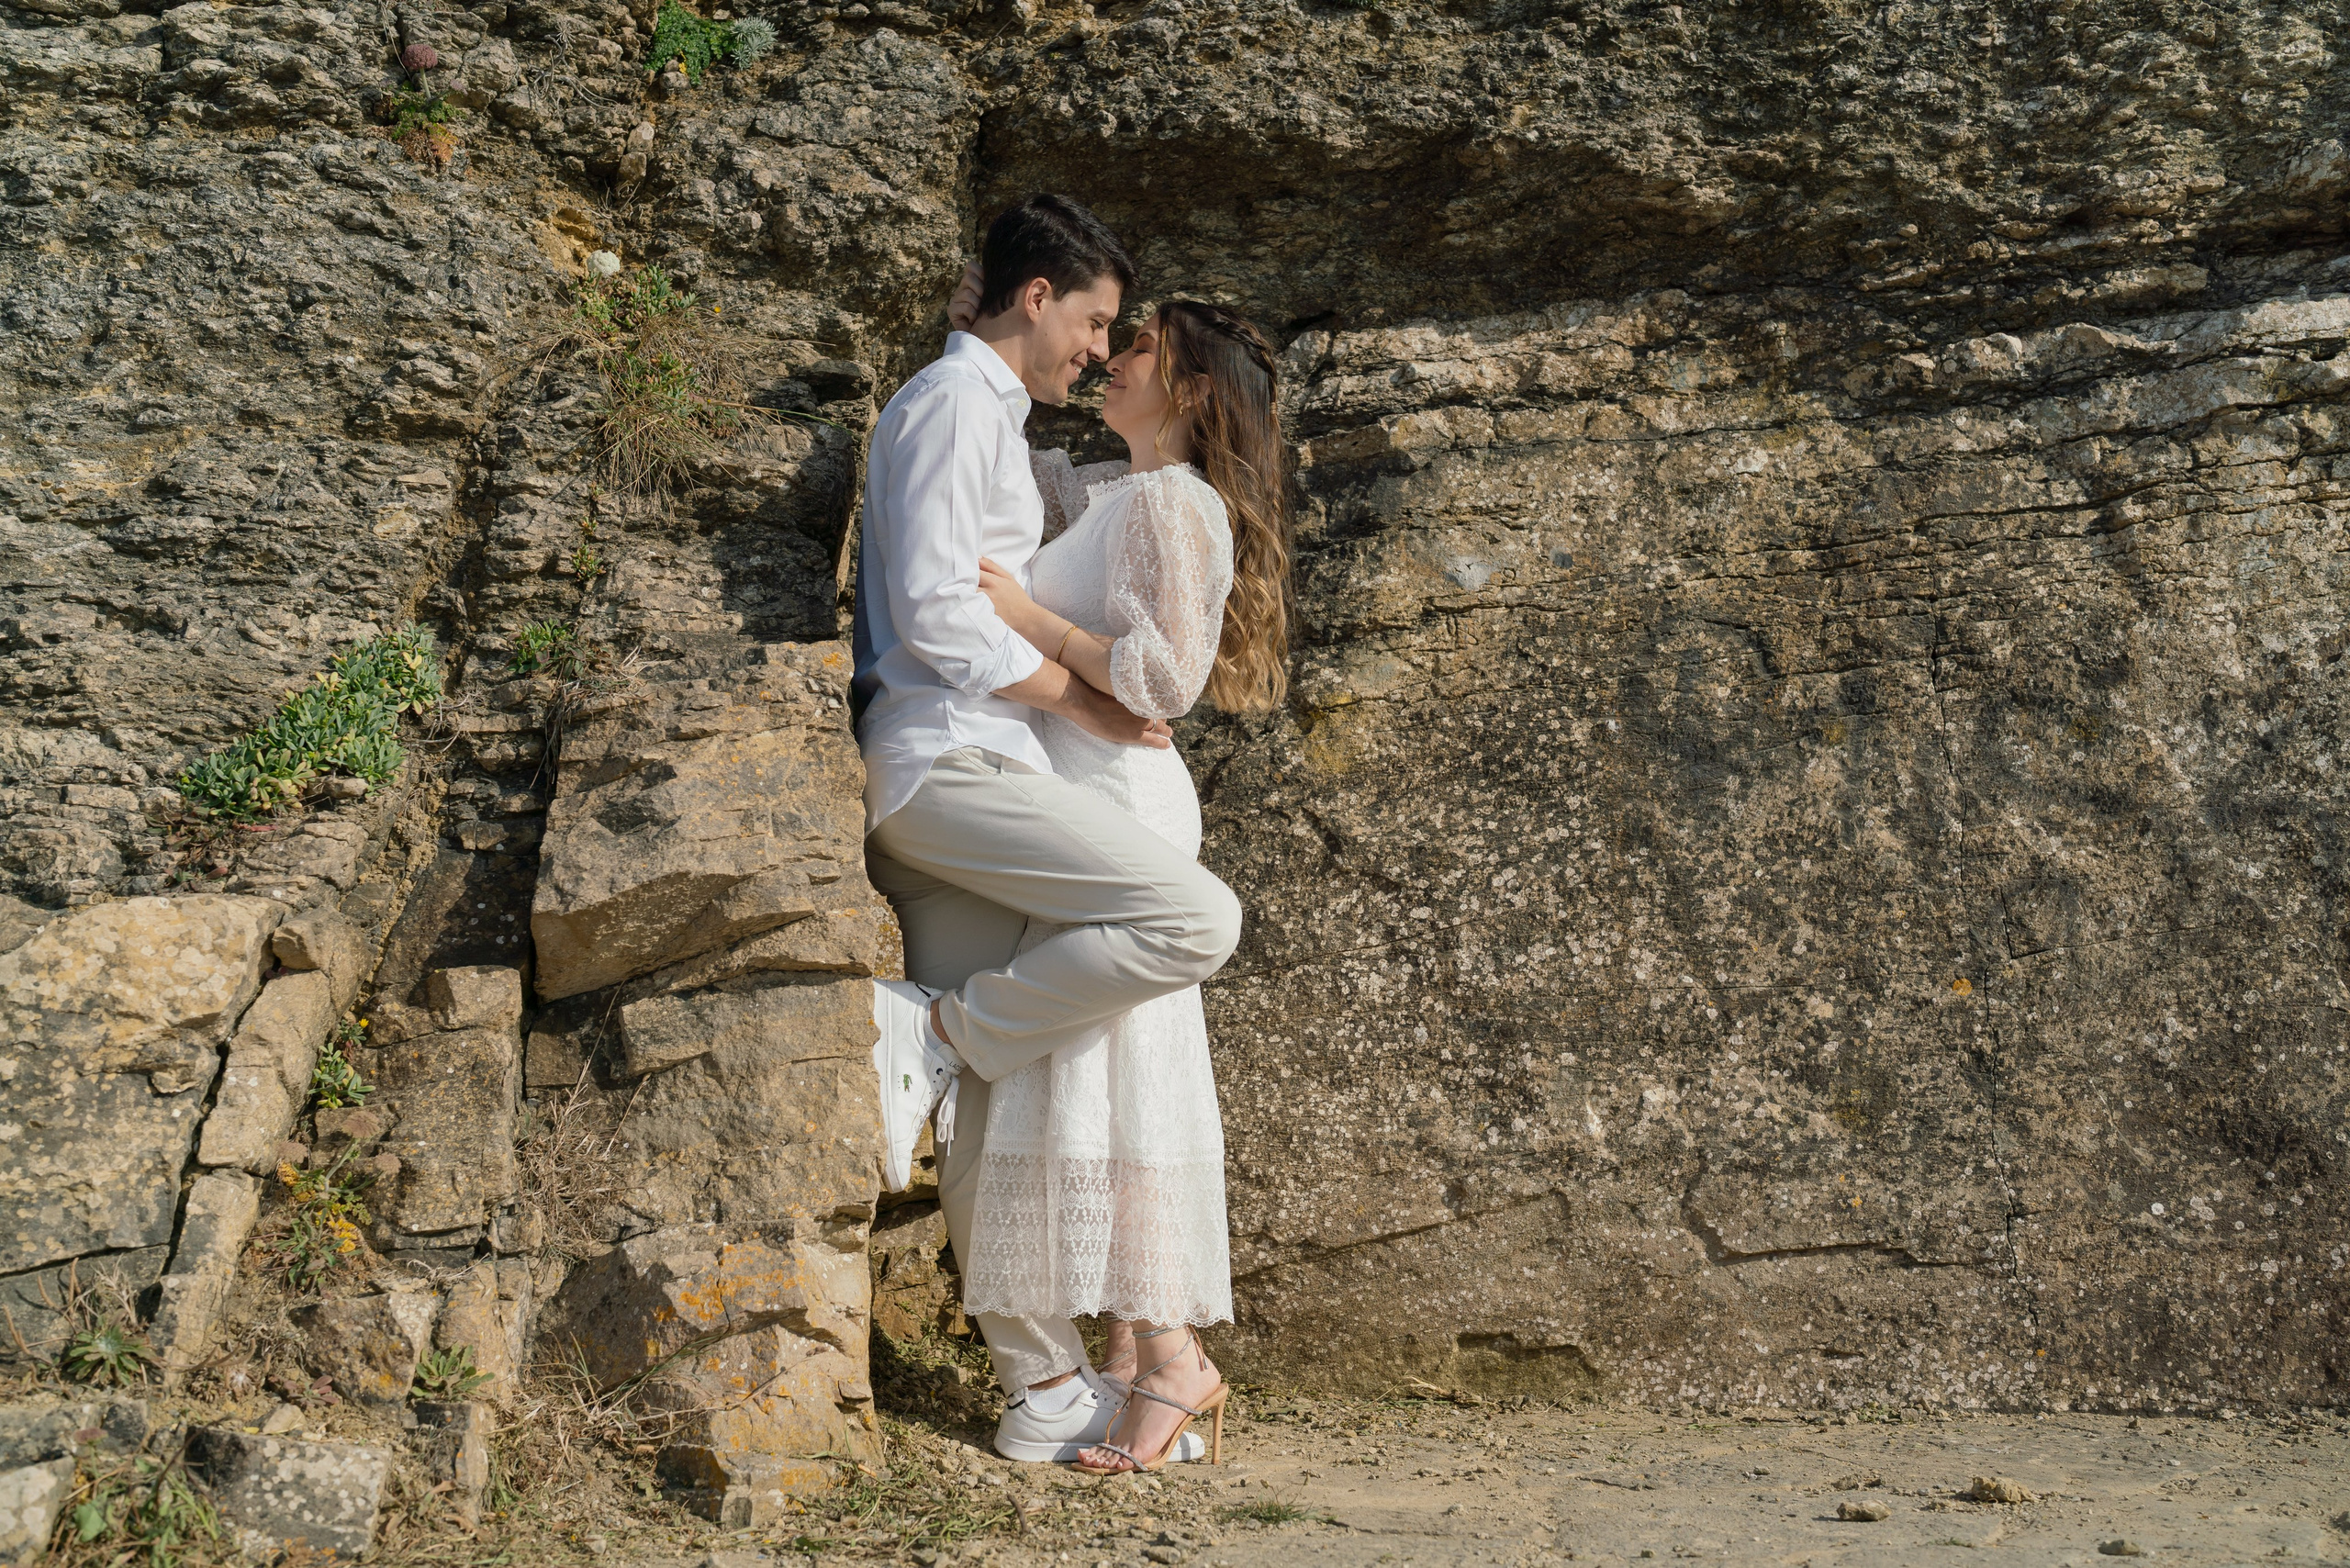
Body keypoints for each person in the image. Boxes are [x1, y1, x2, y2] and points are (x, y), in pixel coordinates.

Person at [853, 195, 1246, 1464]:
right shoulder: (953, 406)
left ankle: (1040, 1388)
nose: (1095, 348)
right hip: (946, 767)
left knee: (993, 1091)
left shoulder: (1004, 427)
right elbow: (935, 621)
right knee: (1193, 915)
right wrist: (1083, 692)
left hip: (988, 768)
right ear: (1037, 299)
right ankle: (940, 1028)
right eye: (1091, 320)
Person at [950, 276, 1293, 1474]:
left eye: (1135, 347)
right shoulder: (1119, 493)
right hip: (1084, 802)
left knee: (1123, 1081)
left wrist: (1026, 625)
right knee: (1107, 1087)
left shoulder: (1178, 506)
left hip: (1119, 812)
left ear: (1189, 388)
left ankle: (1174, 1361)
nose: (1110, 357)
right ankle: (1154, 1361)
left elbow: (1162, 679)